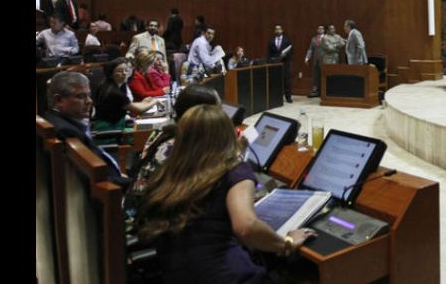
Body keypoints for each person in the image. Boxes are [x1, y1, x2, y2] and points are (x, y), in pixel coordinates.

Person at [136, 104, 317, 284]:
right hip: (230, 276)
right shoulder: (235, 171)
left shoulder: (169, 172)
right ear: (227, 135)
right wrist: (287, 243)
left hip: (179, 274)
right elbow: (246, 227)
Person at [124, 84, 223, 222]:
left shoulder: (164, 132)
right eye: (218, 109)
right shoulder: (181, 145)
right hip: (153, 220)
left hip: (143, 207)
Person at [42, 71, 130, 187]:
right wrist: (130, 183)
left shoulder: (58, 120)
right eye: (81, 96)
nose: (89, 101)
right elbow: (88, 180)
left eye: (89, 95)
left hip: (112, 177)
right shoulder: (65, 131)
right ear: (59, 100)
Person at [92, 57, 160, 142]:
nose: (124, 73)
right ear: (111, 74)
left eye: (126, 70)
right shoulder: (114, 92)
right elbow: (138, 110)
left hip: (116, 126)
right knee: (147, 137)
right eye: (120, 71)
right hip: (110, 132)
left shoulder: (112, 85)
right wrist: (155, 101)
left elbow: (127, 105)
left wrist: (143, 102)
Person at [267, 24, 293, 103]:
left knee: (286, 80)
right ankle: (277, 97)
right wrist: (271, 60)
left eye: (279, 29)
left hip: (286, 62)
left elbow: (292, 51)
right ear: (274, 31)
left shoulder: (287, 40)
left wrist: (286, 54)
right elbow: (269, 53)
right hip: (276, 63)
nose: (278, 31)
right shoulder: (271, 41)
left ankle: (288, 97)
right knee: (277, 80)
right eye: (276, 29)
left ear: (282, 30)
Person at [304, 25, 325, 97]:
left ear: (324, 30)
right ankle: (316, 91)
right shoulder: (314, 39)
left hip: (324, 60)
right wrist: (307, 58)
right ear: (317, 30)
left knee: (323, 76)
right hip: (316, 60)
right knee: (316, 76)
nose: (320, 29)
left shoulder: (327, 38)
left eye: (322, 28)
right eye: (319, 28)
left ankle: (324, 92)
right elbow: (310, 49)